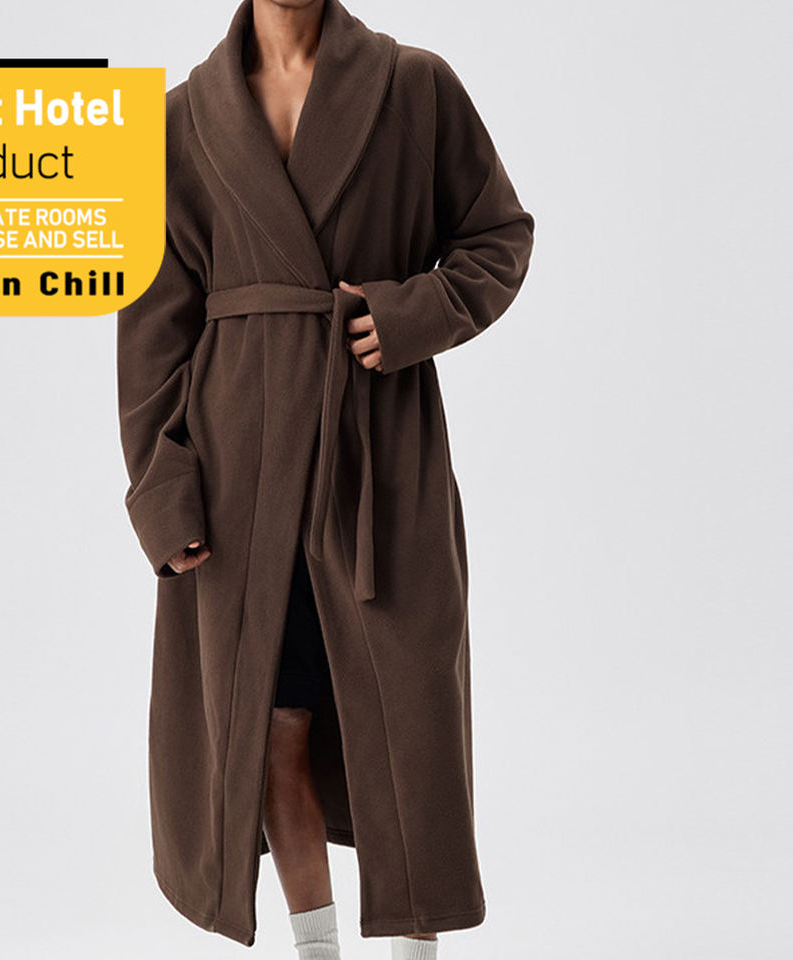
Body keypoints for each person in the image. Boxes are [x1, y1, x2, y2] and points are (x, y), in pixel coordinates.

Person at [116, 0, 534, 956]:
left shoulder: (416, 86)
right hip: (239, 465)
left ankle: (414, 950)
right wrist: (162, 488)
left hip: (378, 447)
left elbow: (498, 235)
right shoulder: (180, 120)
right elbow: (151, 331)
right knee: (270, 718)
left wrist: (415, 313)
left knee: (408, 714)